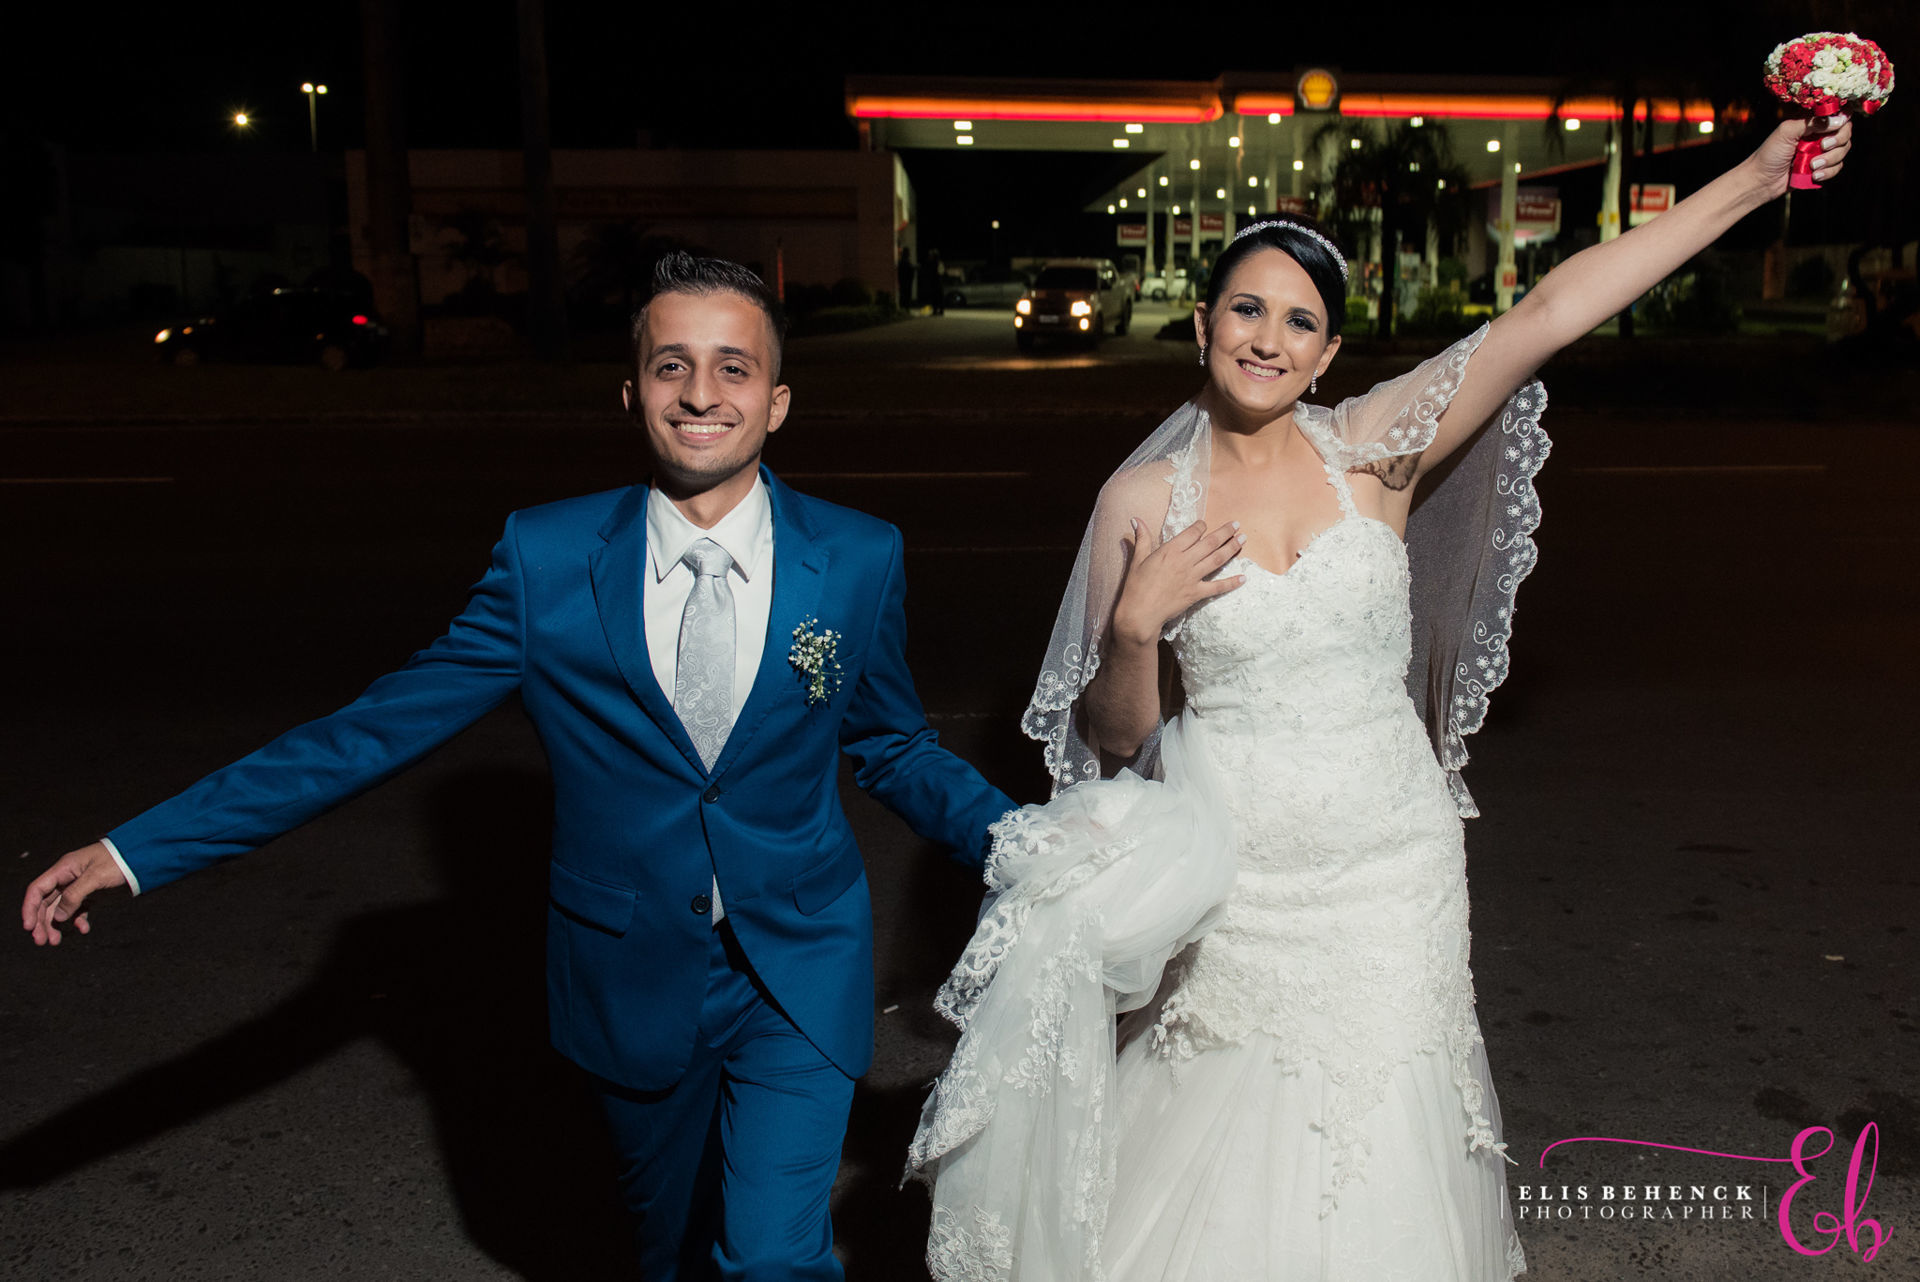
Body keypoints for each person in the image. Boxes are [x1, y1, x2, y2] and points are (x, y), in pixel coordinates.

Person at [909, 113, 1853, 1279]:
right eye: (1246, 309)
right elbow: (1116, 744)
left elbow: (1549, 311)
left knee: (1391, 1138)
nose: (1267, 337)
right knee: (1222, 1136)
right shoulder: (1138, 499)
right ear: (1202, 325)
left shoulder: (1372, 452)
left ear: (1326, 352)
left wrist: (1756, 179)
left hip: (1394, 865)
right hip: (1240, 874)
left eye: (1298, 320)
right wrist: (1138, 626)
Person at [22, 252, 1017, 1281]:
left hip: (797, 967)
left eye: (734, 367)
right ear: (631, 393)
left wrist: (1027, 845)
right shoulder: (547, 561)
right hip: (628, 974)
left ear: (778, 400)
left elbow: (892, 741)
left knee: (774, 1255)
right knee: (663, 1247)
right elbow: (368, 732)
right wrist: (133, 851)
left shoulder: (857, 555)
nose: (702, 393)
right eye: (672, 366)